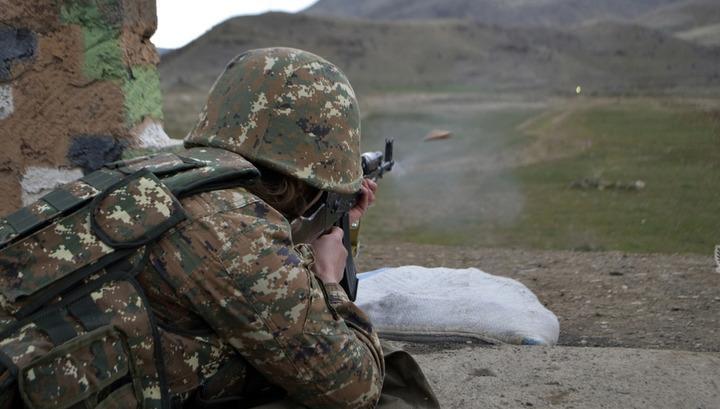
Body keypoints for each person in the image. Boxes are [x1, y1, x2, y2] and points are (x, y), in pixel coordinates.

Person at [135, 47, 437, 408]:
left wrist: (340, 225)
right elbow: (355, 388)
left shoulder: (168, 177)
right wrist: (328, 278)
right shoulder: (238, 234)